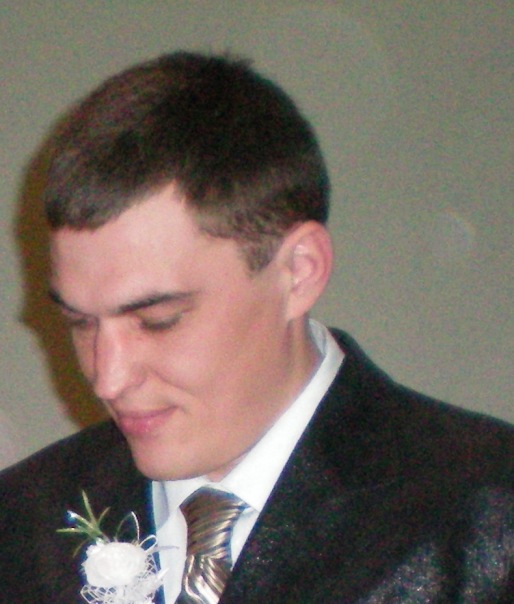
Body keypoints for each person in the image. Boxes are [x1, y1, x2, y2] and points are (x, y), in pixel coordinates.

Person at [1, 52, 513, 604]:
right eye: (79, 322)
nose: (108, 378)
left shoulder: (484, 518)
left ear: (299, 272)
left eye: (158, 321)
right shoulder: (21, 525)